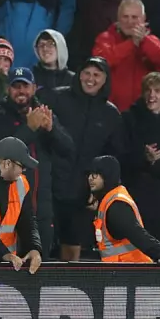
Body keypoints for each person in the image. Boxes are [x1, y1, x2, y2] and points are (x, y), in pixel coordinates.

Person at [0, 67, 75, 257]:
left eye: (25, 86)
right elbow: (3, 150)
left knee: (40, 264)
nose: (21, 91)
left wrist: (51, 129)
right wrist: (30, 128)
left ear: (34, 88)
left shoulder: (45, 114)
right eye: (15, 86)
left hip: (41, 207)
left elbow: (68, 150)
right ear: (8, 89)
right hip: (7, 206)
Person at [48, 56, 125, 262]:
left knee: (71, 248)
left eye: (96, 75)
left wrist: (99, 191)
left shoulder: (111, 114)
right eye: (87, 73)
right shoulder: (57, 99)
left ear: (105, 79)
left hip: (83, 194)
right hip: (49, 187)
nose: (90, 79)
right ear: (79, 74)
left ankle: (65, 291)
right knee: (41, 245)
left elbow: (113, 158)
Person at [120, 72, 160, 244]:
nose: (152, 95)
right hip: (130, 196)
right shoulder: (128, 119)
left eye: (157, 90)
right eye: (148, 90)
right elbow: (119, 155)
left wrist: (155, 162)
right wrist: (144, 158)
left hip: (159, 202)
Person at [88, 155, 160, 270]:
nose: (90, 178)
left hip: (132, 272)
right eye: (90, 174)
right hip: (121, 271)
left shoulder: (116, 205)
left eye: (96, 174)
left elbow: (137, 233)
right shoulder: (108, 199)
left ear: (108, 176)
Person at [93, 0, 160, 112]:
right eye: (125, 17)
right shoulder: (105, 38)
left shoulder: (151, 40)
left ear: (143, 18)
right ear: (118, 18)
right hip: (111, 109)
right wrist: (132, 44)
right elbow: (102, 62)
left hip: (143, 110)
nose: (130, 22)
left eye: (134, 17)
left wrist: (144, 41)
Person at [0, 137, 43, 272]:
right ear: (7, 163)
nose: (23, 171)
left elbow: (28, 222)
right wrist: (2, 253)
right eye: (22, 166)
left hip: (9, 264)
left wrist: (34, 248)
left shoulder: (21, 184)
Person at [32, 30, 75, 101]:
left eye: (50, 44)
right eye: (41, 45)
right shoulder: (30, 78)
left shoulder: (74, 80)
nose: (45, 48)